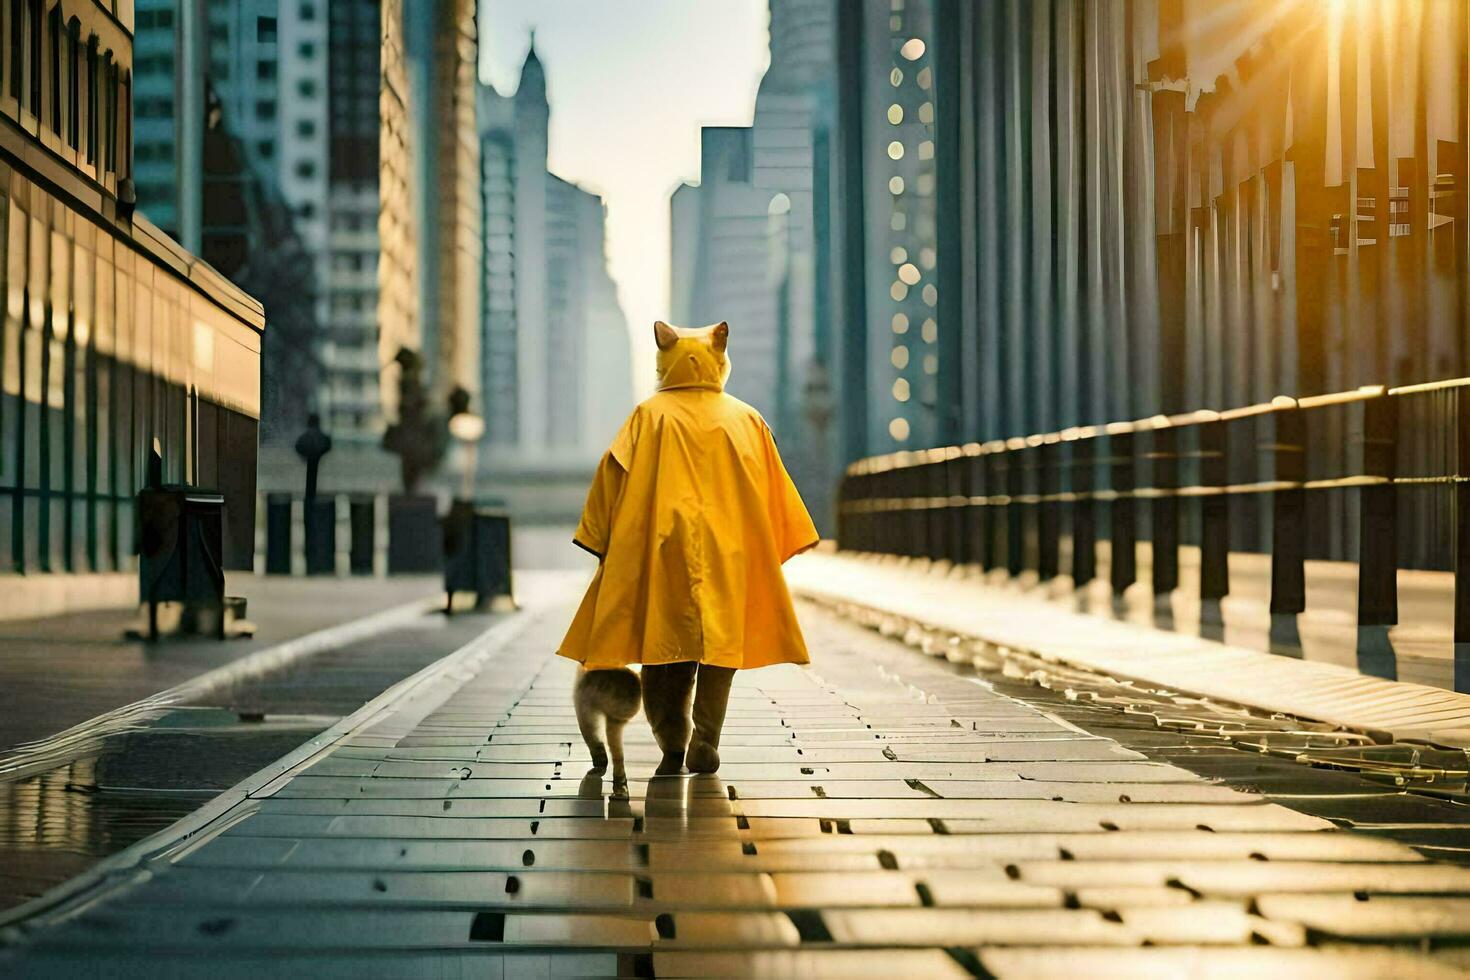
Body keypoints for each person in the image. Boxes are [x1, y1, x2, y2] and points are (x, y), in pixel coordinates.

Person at [559, 320, 820, 776]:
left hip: (660, 550)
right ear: (720, 359)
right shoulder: (747, 419)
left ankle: (672, 740)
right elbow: (775, 487)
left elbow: (612, 474)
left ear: (666, 360)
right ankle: (707, 737)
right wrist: (772, 547)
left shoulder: (648, 416)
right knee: (721, 652)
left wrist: (600, 540)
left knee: (663, 650)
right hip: (729, 553)